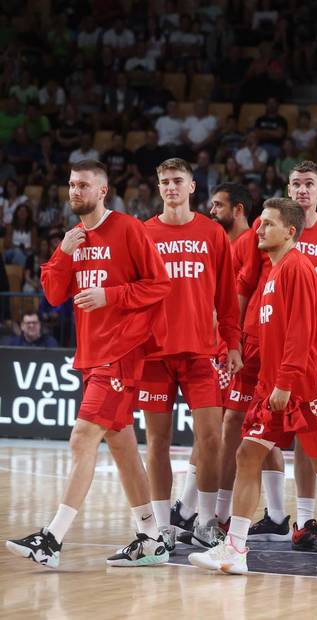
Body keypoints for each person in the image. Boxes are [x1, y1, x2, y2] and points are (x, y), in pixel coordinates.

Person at [187, 198, 317, 576]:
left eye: (268, 225)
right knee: (246, 454)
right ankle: (235, 549)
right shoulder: (272, 272)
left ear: (290, 231)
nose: (259, 230)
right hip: (274, 389)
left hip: (305, 387)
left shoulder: (298, 268)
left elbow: (302, 331)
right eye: (259, 224)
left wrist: (286, 382)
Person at [5, 160, 171, 568]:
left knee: (82, 437)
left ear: (103, 190)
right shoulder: (73, 238)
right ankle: (151, 537)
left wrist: (110, 296)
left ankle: (52, 539)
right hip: (91, 354)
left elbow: (160, 284)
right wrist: (62, 252)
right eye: (71, 184)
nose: (74, 191)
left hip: (122, 350)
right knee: (123, 447)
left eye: (83, 185)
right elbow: (53, 294)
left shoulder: (129, 229)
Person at [139, 158, 242, 553]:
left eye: (177, 180)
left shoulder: (212, 234)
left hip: (202, 353)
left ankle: (205, 522)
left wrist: (232, 344)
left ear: (192, 186)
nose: (171, 187)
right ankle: (163, 527)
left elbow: (227, 300)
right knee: (157, 442)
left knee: (212, 438)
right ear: (159, 186)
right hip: (154, 354)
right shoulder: (144, 233)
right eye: (164, 181)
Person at [247, 161, 317, 554]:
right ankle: (256, 529)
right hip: (277, 364)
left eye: (309, 184)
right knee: (250, 450)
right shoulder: (270, 253)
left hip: (309, 367)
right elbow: (250, 289)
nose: (303, 190)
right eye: (296, 184)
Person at [170, 181, 253, 534]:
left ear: (238, 209)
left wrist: (231, 340)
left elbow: (238, 300)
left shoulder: (249, 243)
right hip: (219, 346)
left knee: (230, 432)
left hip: (236, 348)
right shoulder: (217, 240)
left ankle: (199, 510)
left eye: (219, 206)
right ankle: (193, 508)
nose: (212, 211)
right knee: (217, 430)